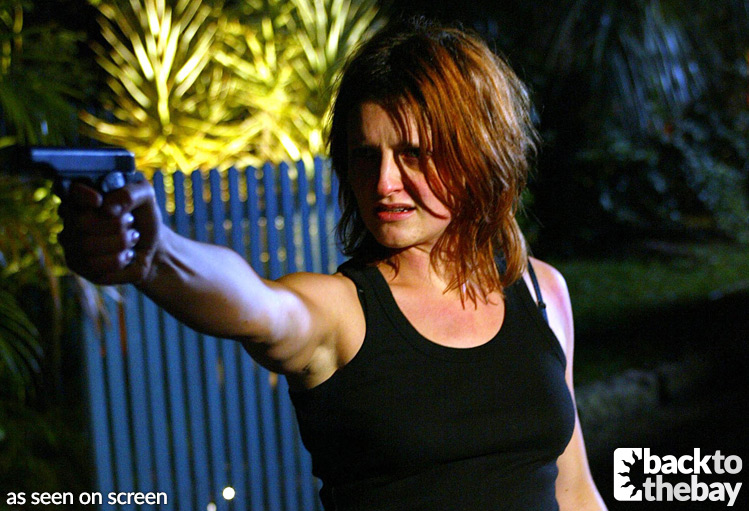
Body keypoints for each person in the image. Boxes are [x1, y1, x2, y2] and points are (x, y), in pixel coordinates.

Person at [59, 18, 607, 511]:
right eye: (366, 155)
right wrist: (156, 255)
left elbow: (575, 491)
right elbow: (257, 304)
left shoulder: (541, 290)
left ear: (478, 152)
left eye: (412, 154)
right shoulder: (341, 312)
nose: (384, 182)